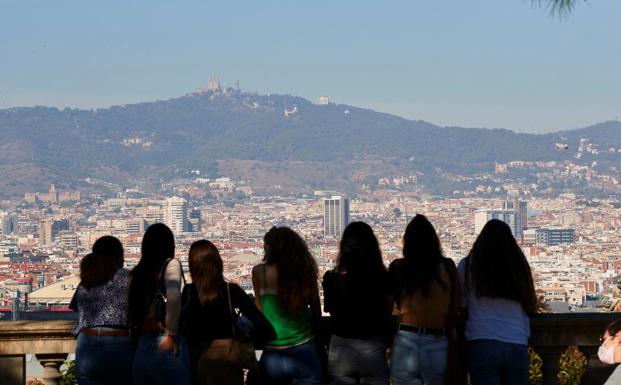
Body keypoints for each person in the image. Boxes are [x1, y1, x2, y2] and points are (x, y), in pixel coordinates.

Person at [180, 239, 276, 385]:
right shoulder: (231, 292)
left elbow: (181, 326)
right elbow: (262, 325)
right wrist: (244, 339)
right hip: (227, 359)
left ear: (193, 267)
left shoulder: (188, 293)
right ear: (218, 264)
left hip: (197, 362)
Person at [458, 219, 537, 385]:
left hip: (482, 339)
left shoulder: (468, 265)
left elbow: (462, 305)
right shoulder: (518, 267)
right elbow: (530, 302)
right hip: (516, 340)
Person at [388, 214, 461, 385]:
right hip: (437, 339)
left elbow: (391, 305)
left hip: (406, 339)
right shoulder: (448, 267)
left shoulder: (398, 268)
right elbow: (455, 305)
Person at [322, 221, 393, 385]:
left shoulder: (331, 278)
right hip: (373, 347)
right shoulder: (383, 278)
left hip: (341, 348)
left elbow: (330, 309)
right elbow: (387, 311)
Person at [251, 226, 322, 385]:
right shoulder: (304, 271)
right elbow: (316, 311)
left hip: (272, 353)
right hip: (304, 349)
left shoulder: (259, 272)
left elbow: (259, 313)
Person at [128, 223, 191, 385]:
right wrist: (171, 333)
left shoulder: (136, 273)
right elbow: (174, 298)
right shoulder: (171, 265)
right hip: (165, 342)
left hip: (141, 348)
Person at [70, 236, 134, 385]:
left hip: (86, 342)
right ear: (119, 256)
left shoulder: (87, 279)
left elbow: (75, 306)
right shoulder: (128, 278)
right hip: (118, 343)